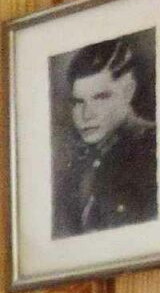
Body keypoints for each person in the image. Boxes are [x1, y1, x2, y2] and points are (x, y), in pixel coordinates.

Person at [56, 34, 158, 237]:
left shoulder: (151, 150)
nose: (87, 115)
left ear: (129, 91)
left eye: (101, 97)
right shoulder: (76, 164)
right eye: (78, 102)